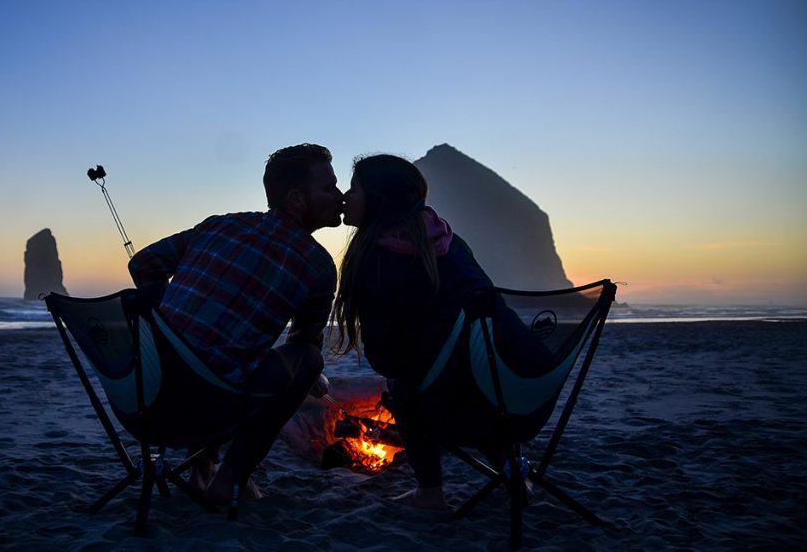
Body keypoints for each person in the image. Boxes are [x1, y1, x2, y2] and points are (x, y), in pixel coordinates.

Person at [128, 143, 344, 503]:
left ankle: (202, 469)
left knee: (212, 359)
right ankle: (229, 480)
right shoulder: (318, 266)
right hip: (204, 412)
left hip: (141, 401)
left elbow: (142, 265)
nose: (339, 196)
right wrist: (313, 376)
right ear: (296, 199)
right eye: (329, 187)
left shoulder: (221, 225)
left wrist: (171, 320)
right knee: (307, 361)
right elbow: (303, 343)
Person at [332, 154, 548, 510]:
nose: (345, 194)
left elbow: (386, 358)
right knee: (466, 365)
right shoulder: (449, 241)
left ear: (377, 199)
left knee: (405, 381)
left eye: (353, 187)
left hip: (474, 412)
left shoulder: (380, 261)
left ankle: (429, 491)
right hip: (531, 396)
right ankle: (512, 473)